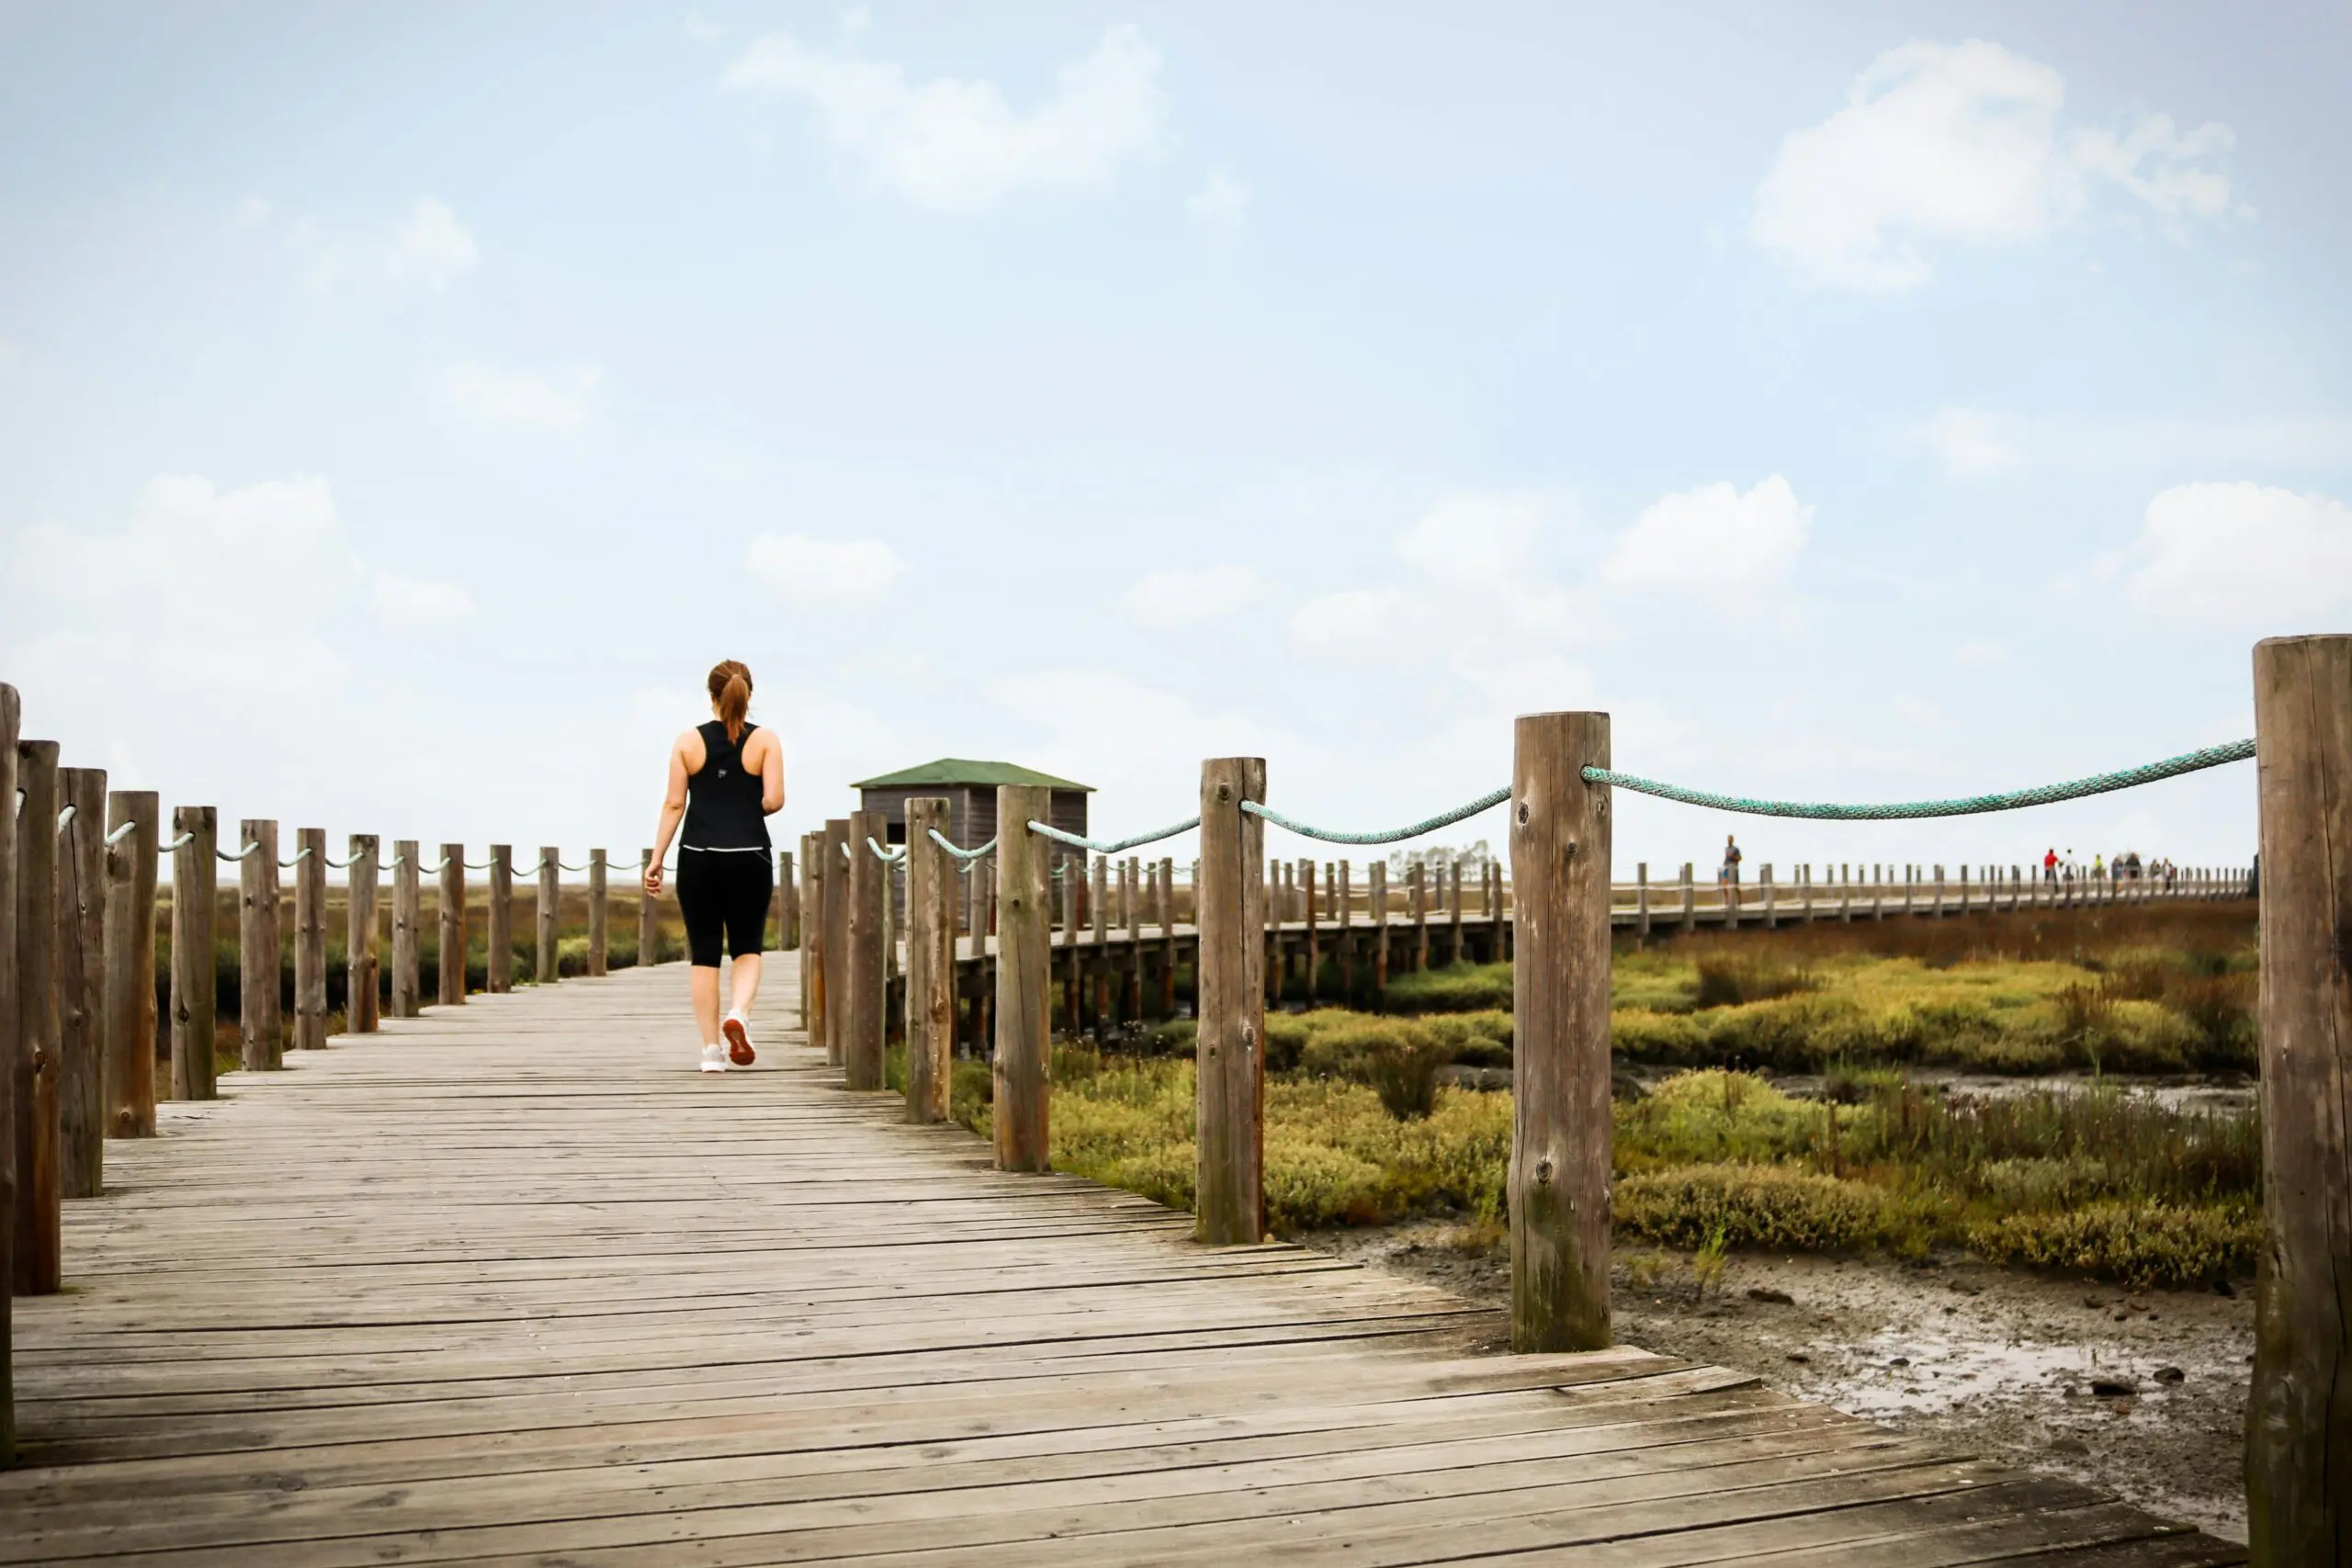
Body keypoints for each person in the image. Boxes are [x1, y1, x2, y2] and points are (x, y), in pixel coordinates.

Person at [646, 660, 786, 1073]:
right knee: (747, 947)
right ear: (748, 694)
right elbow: (774, 800)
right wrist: (747, 803)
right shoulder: (767, 742)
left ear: (711, 695)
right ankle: (739, 1014)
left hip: (698, 856)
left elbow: (674, 803)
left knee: (705, 954)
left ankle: (711, 1052)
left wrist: (657, 859)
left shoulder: (687, 742)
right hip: (750, 856)